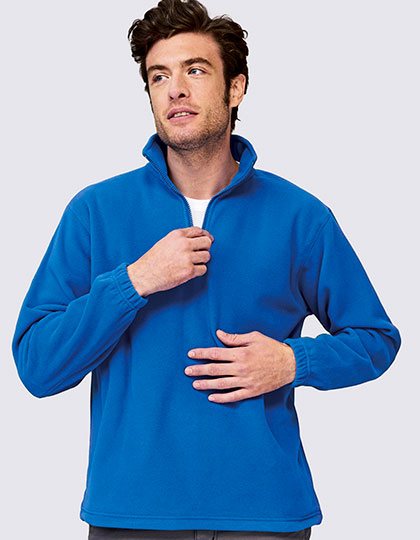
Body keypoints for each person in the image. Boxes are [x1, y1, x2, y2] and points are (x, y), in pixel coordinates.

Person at [11, 1, 401, 539]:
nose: (175, 89)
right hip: (131, 515)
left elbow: (376, 339)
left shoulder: (300, 216)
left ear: (235, 88)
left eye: (195, 70)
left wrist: (293, 360)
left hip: (264, 515)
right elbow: (37, 365)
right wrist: (134, 282)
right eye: (159, 76)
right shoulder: (95, 212)